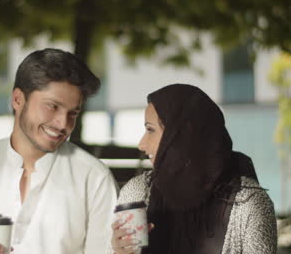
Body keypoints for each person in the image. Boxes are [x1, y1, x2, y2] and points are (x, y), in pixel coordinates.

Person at [0, 48, 118, 254]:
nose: (62, 123)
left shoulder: (94, 178)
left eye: (72, 113)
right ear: (18, 100)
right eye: (52, 106)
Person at [111, 84, 277, 254]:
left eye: (150, 130)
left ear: (182, 135)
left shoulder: (249, 203)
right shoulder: (137, 192)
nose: (142, 144)